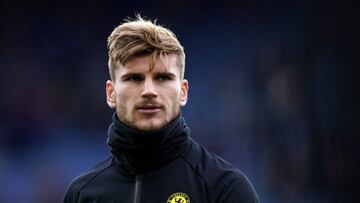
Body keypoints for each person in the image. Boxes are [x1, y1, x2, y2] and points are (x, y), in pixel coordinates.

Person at [63, 16, 259, 203]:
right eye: (134, 78)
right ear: (111, 93)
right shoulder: (82, 194)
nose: (149, 91)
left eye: (163, 78)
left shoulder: (224, 188)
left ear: (183, 92)